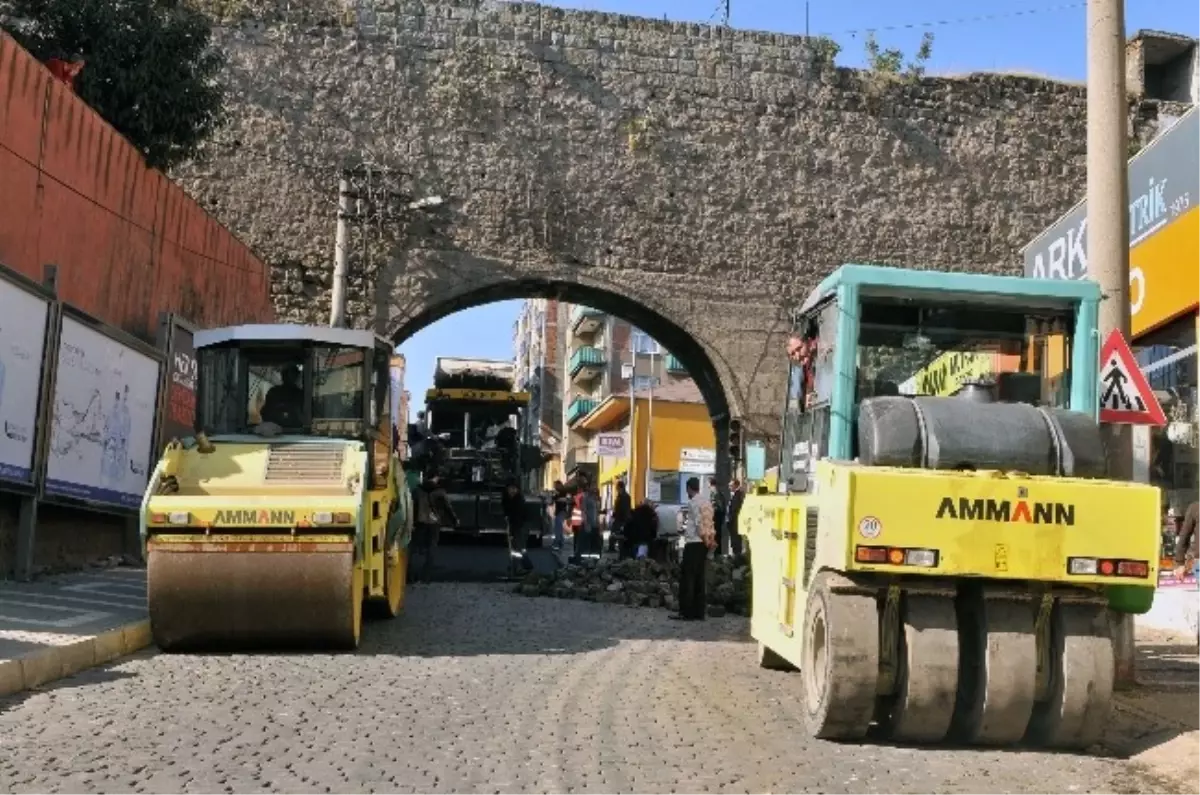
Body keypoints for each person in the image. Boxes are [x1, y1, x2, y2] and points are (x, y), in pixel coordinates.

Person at [673, 476, 716, 621]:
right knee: (700, 578)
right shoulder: (706, 501)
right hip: (703, 544)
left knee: (688, 578)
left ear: (689, 489)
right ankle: (699, 611)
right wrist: (709, 541)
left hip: (693, 542)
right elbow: (709, 522)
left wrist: (703, 537)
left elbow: (698, 522)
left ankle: (687, 612)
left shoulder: (692, 503)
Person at [501, 480, 528, 576]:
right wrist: (506, 517)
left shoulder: (519, 500)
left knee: (518, 548)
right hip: (512, 524)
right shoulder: (506, 498)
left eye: (514, 489)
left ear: (517, 490)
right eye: (510, 489)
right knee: (514, 548)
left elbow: (520, 515)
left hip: (519, 525)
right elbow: (506, 509)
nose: (512, 491)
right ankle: (516, 567)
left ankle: (517, 568)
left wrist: (513, 528)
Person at [610, 480, 633, 557]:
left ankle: (622, 553)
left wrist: (625, 520)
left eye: (617, 488)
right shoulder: (620, 496)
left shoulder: (625, 497)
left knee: (620, 536)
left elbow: (625, 509)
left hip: (621, 520)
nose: (616, 489)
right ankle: (614, 549)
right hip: (618, 519)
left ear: (621, 487)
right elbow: (617, 508)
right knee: (615, 534)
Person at [708, 476, 728, 557]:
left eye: (707, 483)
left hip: (716, 516)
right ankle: (718, 553)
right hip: (719, 516)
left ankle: (716, 554)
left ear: (710, 483)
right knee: (718, 535)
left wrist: (711, 508)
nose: (707, 485)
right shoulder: (718, 491)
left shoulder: (713, 491)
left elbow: (718, 505)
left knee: (715, 535)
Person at [727, 479, 747, 558]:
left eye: (731, 485)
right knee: (734, 541)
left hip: (735, 522)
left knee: (736, 542)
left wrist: (729, 520)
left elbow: (734, 509)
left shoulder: (738, 494)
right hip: (734, 522)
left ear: (736, 485)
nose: (729, 487)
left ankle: (737, 557)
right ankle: (736, 556)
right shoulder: (735, 494)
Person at [551, 480, 570, 551]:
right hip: (559, 512)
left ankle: (557, 543)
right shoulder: (558, 492)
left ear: (559, 485)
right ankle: (560, 543)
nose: (554, 487)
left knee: (558, 528)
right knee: (558, 527)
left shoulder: (563, 491)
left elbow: (566, 499)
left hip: (562, 511)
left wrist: (557, 498)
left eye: (555, 485)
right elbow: (554, 499)